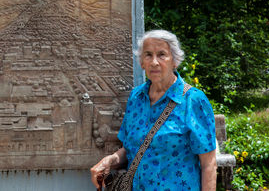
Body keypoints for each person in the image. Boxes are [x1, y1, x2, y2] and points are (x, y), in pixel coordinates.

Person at [90, 30, 217, 191]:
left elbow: (209, 164)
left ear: (174, 61)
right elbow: (130, 148)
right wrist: (111, 160)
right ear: (142, 62)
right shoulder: (136, 97)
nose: (154, 62)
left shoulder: (193, 100)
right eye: (148, 55)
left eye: (162, 55)